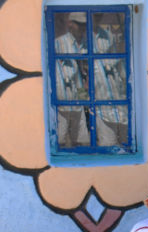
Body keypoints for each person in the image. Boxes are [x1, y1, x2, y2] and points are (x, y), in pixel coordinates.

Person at [54, 11, 127, 149]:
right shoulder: (61, 44)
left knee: (125, 143)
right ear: (70, 24)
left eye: (85, 24)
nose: (83, 27)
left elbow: (119, 66)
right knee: (62, 139)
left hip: (116, 100)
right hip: (71, 101)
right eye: (80, 24)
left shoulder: (100, 38)